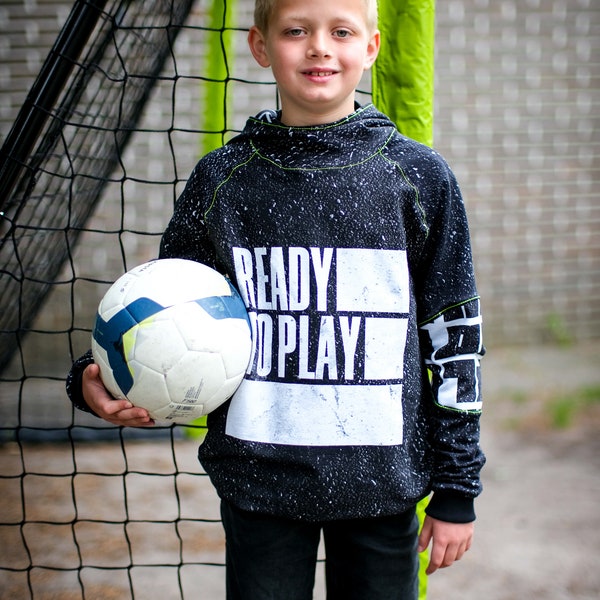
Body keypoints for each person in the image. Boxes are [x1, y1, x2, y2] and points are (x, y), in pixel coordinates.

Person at [67, 0, 486, 598]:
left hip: (383, 485)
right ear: (260, 47)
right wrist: (92, 375)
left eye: (341, 31)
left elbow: (454, 337)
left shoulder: (419, 178)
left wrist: (456, 489)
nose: (319, 47)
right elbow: (165, 312)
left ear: (370, 47)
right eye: (297, 30)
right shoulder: (222, 179)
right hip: (258, 480)